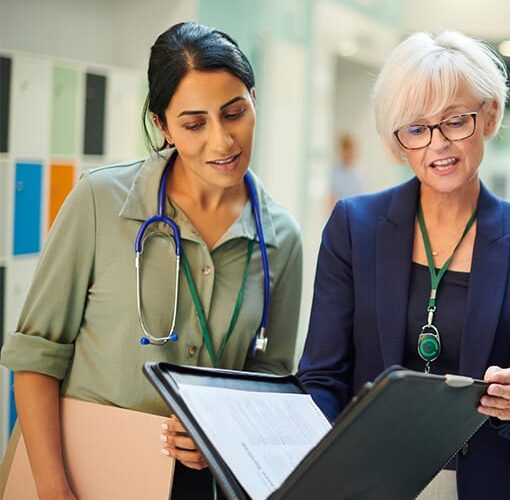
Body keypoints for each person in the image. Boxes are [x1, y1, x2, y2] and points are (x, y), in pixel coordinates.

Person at [0, 22, 303, 500]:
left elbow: (270, 378)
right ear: (162, 125)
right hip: (81, 474)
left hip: (200, 485)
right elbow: (36, 357)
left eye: (234, 112)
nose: (222, 142)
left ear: (253, 100)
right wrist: (53, 489)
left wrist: (220, 433)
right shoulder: (101, 202)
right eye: (194, 123)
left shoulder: (282, 237)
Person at [296, 31, 510, 500]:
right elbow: (321, 377)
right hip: (364, 482)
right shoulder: (354, 226)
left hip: (484, 485)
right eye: (417, 128)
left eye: (454, 121)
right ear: (397, 138)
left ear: (488, 116)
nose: (438, 144)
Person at [328, 133, 366, 208]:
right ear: (341, 151)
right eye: (346, 150)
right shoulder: (333, 173)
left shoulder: (359, 175)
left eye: (351, 150)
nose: (349, 154)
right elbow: (330, 201)